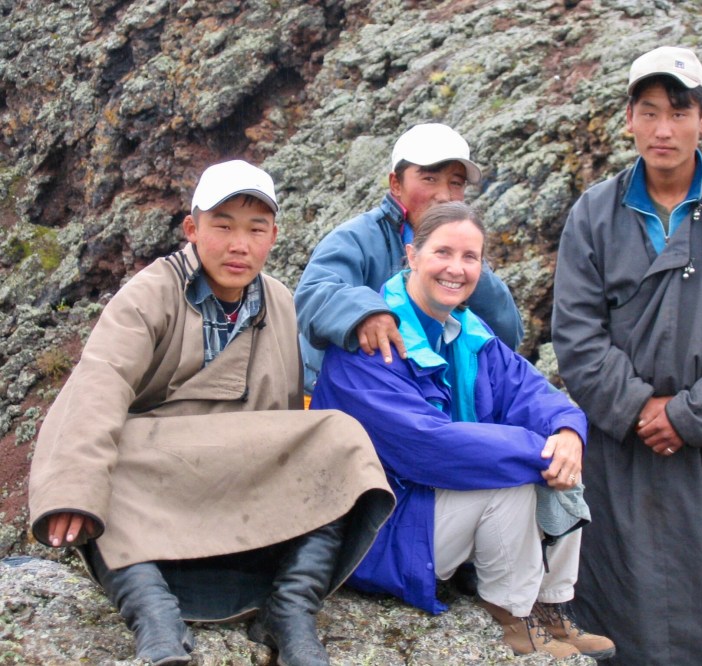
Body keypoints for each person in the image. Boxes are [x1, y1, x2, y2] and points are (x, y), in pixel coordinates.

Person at [28, 160, 394, 666]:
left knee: (339, 435)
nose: (239, 245)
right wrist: (74, 490)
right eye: (222, 226)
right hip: (157, 476)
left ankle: (290, 608)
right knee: (111, 452)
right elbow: (100, 383)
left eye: (256, 229)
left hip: (235, 478)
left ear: (273, 237)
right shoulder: (151, 293)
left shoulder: (280, 302)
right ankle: (154, 614)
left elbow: (285, 422)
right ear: (192, 229)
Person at [551, 46, 702, 665]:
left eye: (680, 112)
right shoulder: (594, 213)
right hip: (619, 451)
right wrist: (640, 409)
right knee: (619, 615)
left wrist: (687, 416)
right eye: (650, 112)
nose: (664, 129)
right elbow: (577, 337)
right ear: (629, 119)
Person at [311, 202, 615, 661]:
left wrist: (568, 432)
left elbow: (534, 393)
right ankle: (512, 615)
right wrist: (538, 450)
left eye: (470, 257)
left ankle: (548, 604)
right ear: (411, 256)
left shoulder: (468, 333)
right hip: (375, 530)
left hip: (428, 509)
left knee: (563, 461)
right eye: (443, 253)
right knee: (517, 480)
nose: (456, 268)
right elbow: (426, 446)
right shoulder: (372, 342)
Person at [294, 122, 524, 393]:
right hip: (338, 396)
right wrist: (366, 313)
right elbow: (312, 294)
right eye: (430, 179)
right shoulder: (357, 238)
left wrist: (468, 266)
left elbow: (507, 334)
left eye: (456, 183)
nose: (444, 196)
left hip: (428, 398)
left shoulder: (461, 257)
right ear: (396, 184)